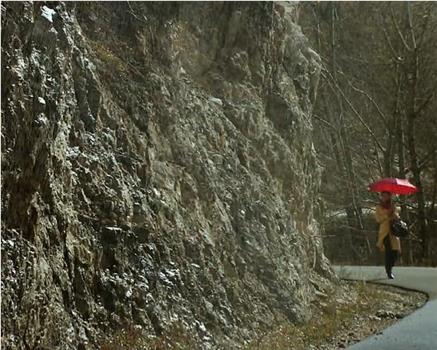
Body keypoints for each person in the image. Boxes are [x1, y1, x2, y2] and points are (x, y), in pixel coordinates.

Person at [375, 191, 401, 279]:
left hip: (393, 232)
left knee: (395, 252)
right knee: (388, 252)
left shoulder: (393, 206)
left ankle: (391, 266)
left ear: (389, 196)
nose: (384, 197)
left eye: (386, 196)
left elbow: (397, 217)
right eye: (383, 196)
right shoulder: (378, 207)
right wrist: (387, 215)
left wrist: (394, 214)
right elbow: (378, 219)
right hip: (384, 232)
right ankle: (388, 271)